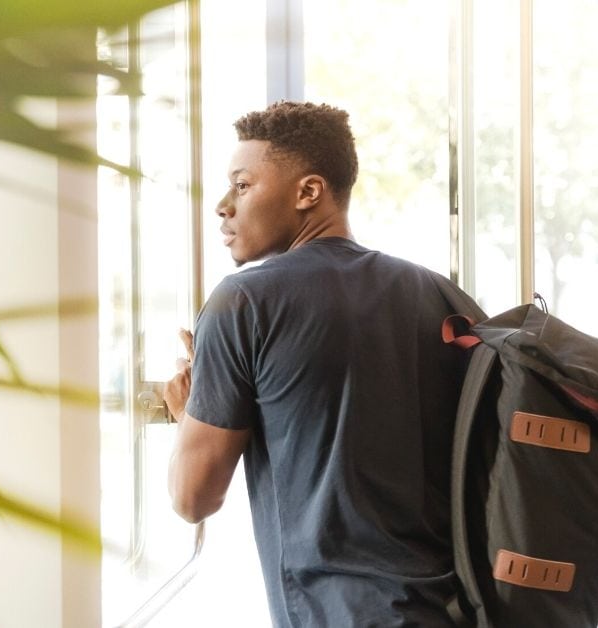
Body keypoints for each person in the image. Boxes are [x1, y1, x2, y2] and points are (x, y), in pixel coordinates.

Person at [162, 101, 463, 626]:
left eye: (242, 185)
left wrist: (190, 411)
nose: (222, 206)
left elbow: (192, 498)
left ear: (309, 192)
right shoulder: (433, 291)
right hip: (451, 607)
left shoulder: (244, 302)